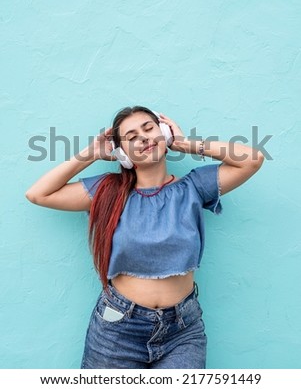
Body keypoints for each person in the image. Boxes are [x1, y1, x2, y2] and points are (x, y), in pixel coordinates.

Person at [25, 105, 264, 369]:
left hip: (183, 332)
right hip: (118, 329)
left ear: (164, 133)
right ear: (123, 154)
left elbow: (251, 159)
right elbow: (38, 194)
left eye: (149, 128)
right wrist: (91, 153)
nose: (144, 138)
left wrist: (184, 144)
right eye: (131, 137)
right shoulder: (108, 191)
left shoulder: (194, 187)